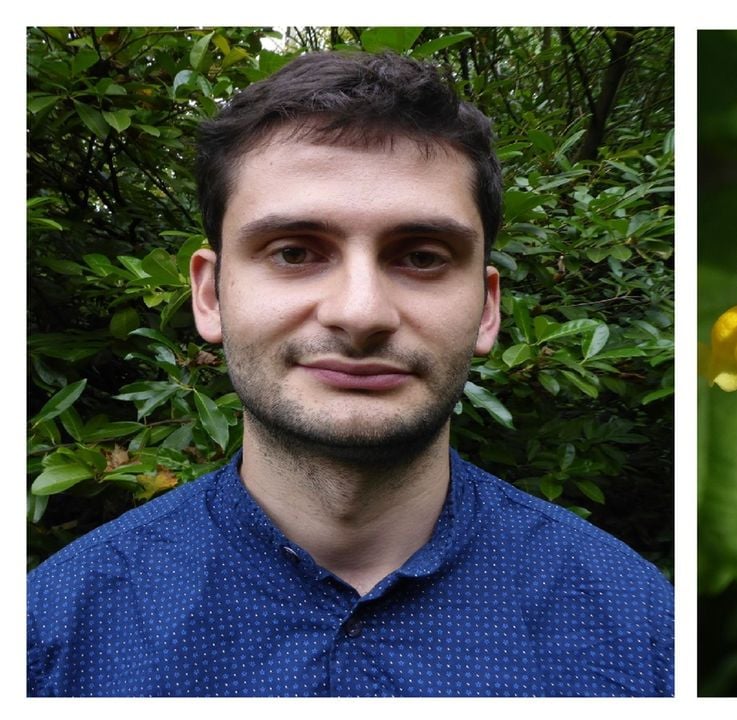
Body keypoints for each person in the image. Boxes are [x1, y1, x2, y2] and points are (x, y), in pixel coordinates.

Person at [27, 51, 674, 697]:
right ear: (211, 296)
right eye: (294, 252)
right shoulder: (52, 637)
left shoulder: (640, 630)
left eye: (421, 256)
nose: (360, 313)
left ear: (487, 308)